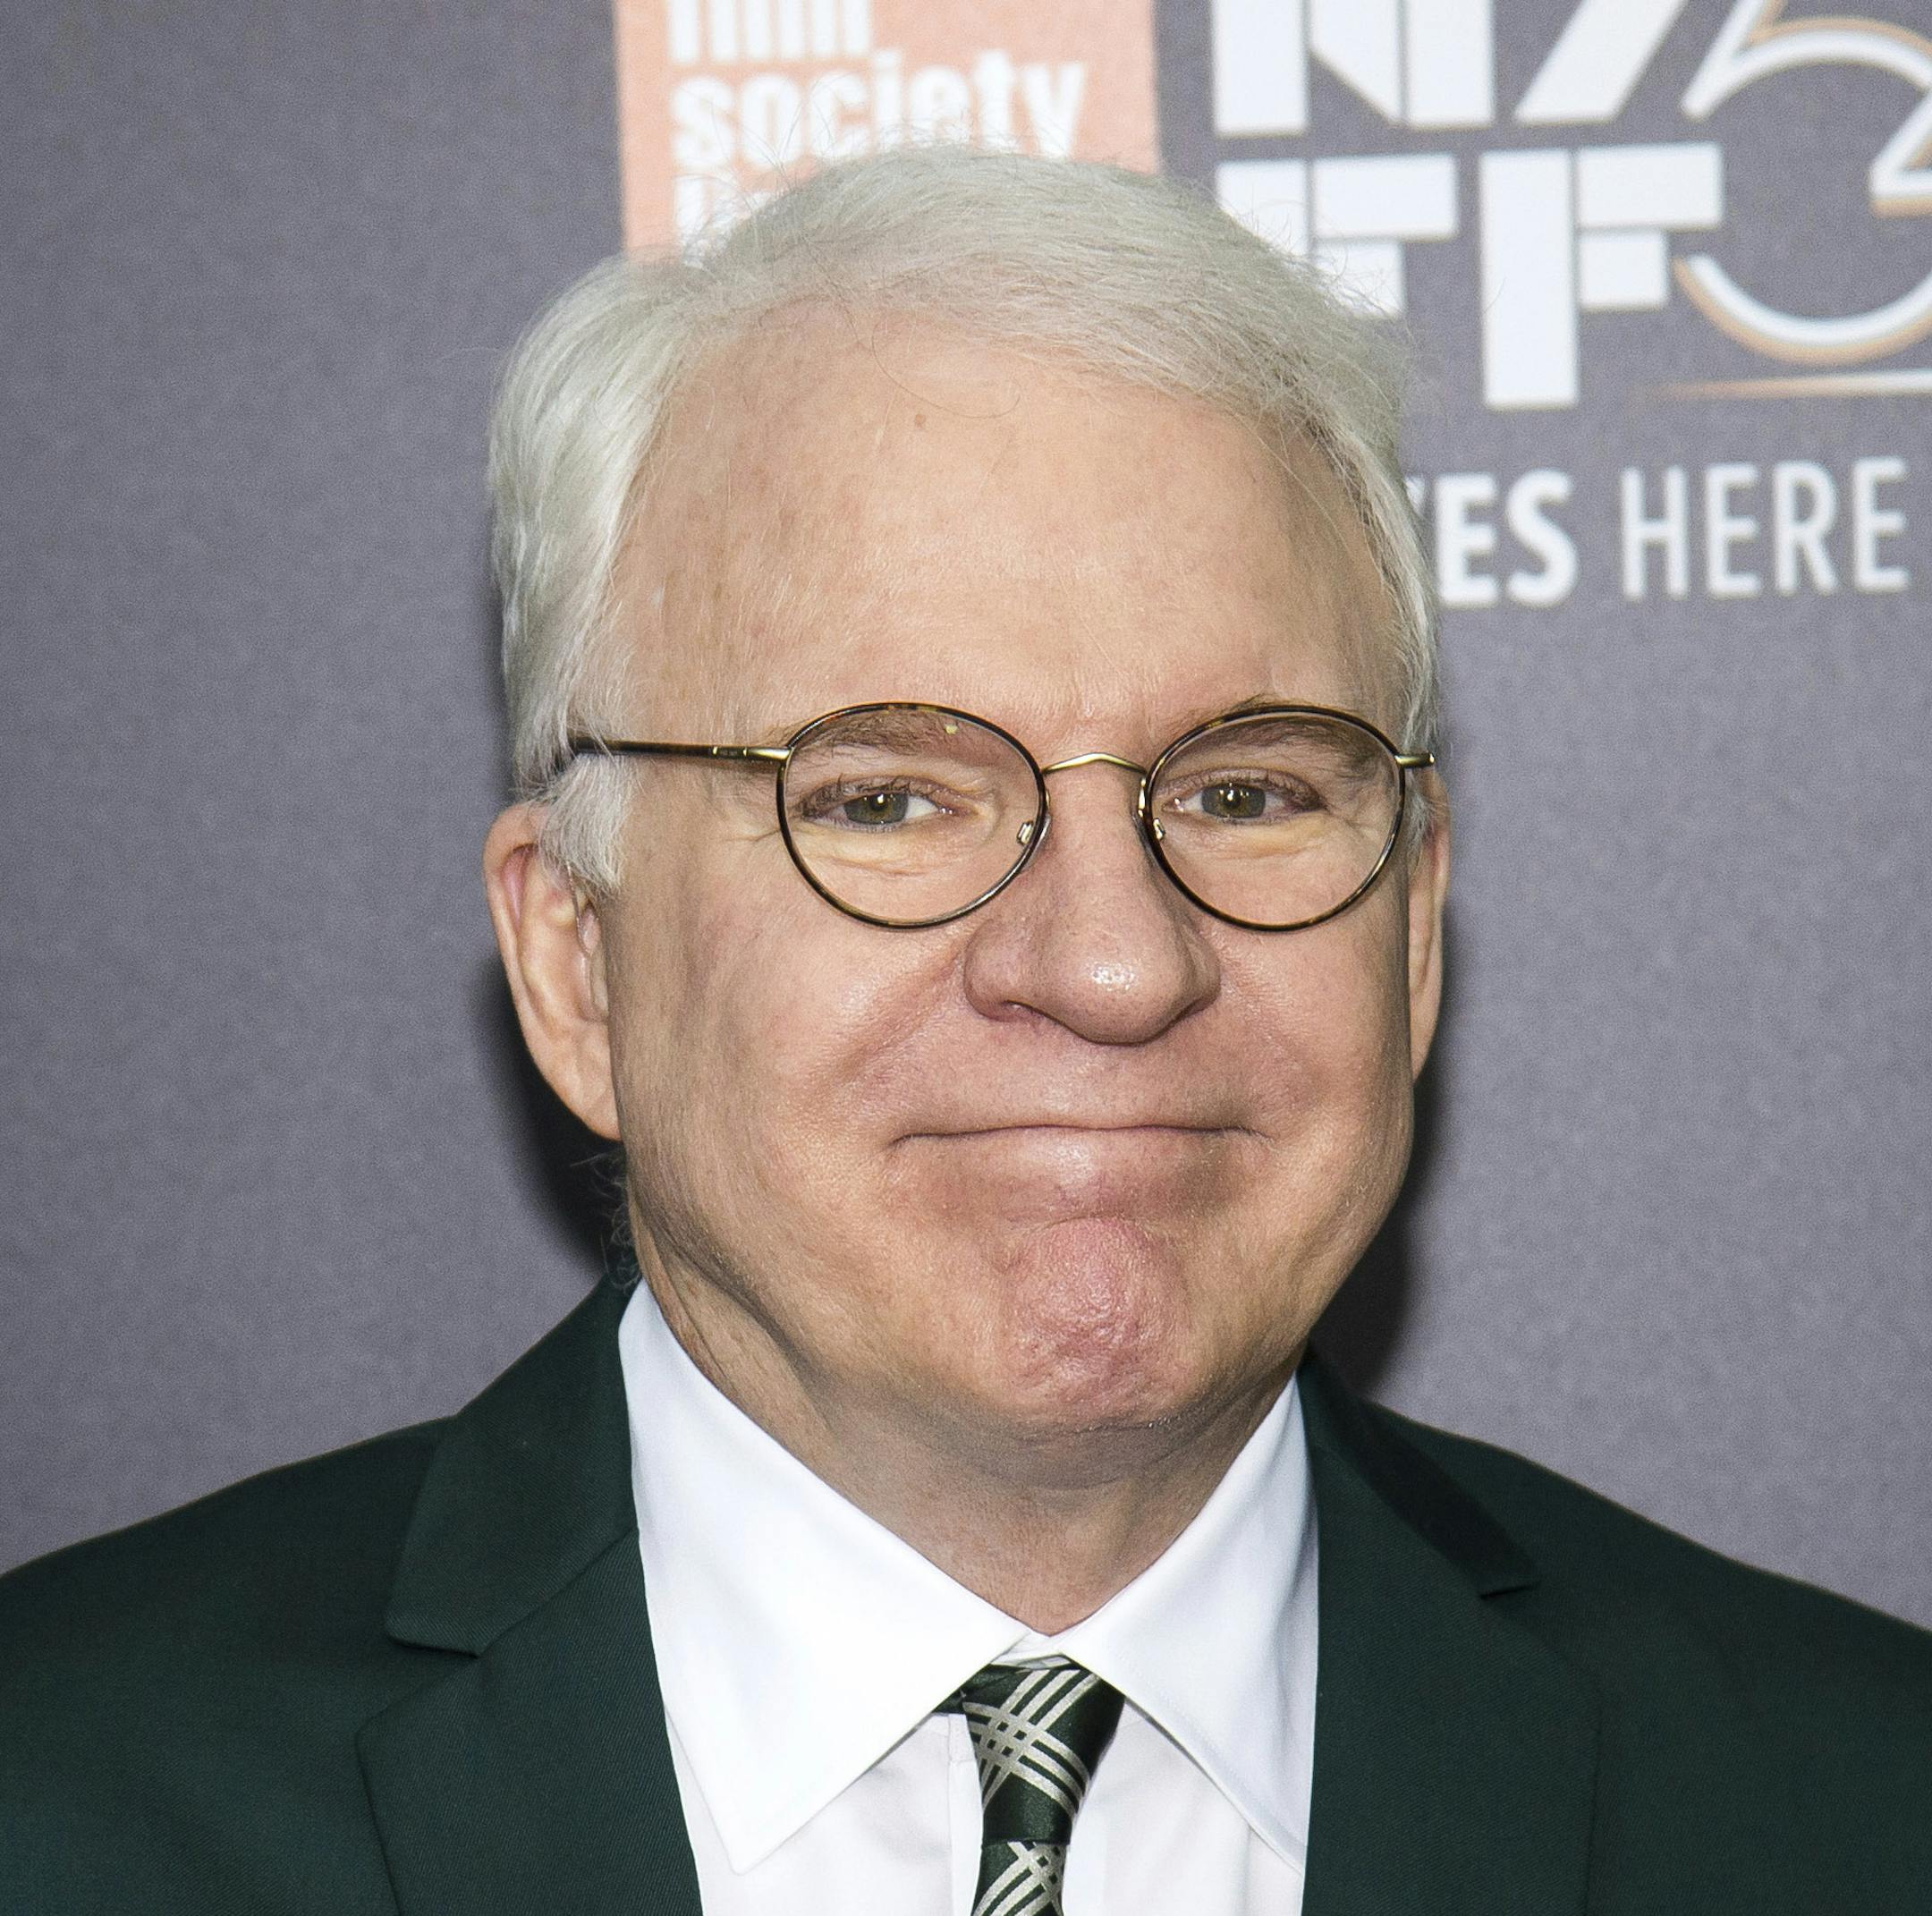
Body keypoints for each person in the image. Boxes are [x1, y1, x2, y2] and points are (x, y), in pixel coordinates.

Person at [2, 146, 1927, 1916]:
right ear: (579, 958)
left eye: (1247, 791)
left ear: (1414, 928)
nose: (1114, 964)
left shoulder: (1856, 1809)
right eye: (886, 798)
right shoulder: (62, 1798)